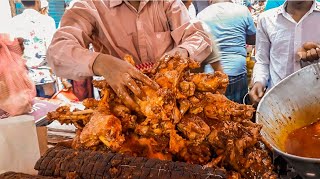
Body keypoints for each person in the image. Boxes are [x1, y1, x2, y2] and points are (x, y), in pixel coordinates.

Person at [47, 0, 216, 110]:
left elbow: (198, 36)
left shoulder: (166, 3)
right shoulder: (88, 5)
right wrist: (100, 62)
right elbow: (57, 50)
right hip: (122, 106)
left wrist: (183, 52)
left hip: (172, 102)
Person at [249, 0, 320, 106]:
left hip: (315, 101)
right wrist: (259, 82)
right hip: (278, 103)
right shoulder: (266, 19)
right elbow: (262, 61)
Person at [197, 0, 256, 103]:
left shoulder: (201, 15)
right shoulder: (242, 11)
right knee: (239, 111)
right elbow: (253, 39)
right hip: (237, 70)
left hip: (211, 74)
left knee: (215, 111)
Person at [9, 0, 57, 98]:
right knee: (49, 110)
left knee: (30, 112)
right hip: (45, 77)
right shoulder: (47, 21)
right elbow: (52, 50)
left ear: (22, 3)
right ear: (38, 1)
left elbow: (12, 51)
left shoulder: (13, 22)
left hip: (24, 78)